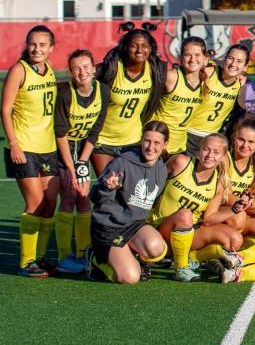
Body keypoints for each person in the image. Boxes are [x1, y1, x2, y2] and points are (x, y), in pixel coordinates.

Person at [2, 25, 60, 277]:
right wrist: (14, 143)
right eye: (33, 44)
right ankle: (26, 262)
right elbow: (5, 110)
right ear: (27, 45)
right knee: (34, 204)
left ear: (51, 48)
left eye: (42, 44)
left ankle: (40, 257)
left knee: (49, 205)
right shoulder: (19, 70)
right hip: (24, 147)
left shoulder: (49, 72)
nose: (37, 49)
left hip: (48, 148)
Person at [147, 133, 241, 282]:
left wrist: (235, 209)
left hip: (187, 234)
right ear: (199, 150)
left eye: (216, 152)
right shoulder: (181, 162)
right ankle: (181, 267)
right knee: (185, 215)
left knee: (234, 239)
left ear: (223, 156)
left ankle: (191, 258)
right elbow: (151, 183)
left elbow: (209, 219)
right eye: (206, 149)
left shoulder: (219, 183)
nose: (210, 155)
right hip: (159, 229)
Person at [86, 121, 169, 284]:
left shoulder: (162, 168)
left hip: (134, 224)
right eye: (147, 141)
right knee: (130, 278)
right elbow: (94, 197)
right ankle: (96, 259)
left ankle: (130, 253)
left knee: (158, 248)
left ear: (165, 144)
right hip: (109, 226)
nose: (150, 147)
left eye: (157, 143)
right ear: (141, 140)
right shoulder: (121, 163)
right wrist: (107, 188)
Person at [53, 50, 111, 273]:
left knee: (84, 197)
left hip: (83, 150)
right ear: (70, 72)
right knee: (69, 195)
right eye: (77, 68)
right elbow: (60, 133)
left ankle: (83, 252)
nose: (82, 72)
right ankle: (63, 256)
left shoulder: (103, 91)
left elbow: (95, 131)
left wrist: (82, 163)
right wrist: (70, 168)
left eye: (86, 66)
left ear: (94, 69)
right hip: (63, 149)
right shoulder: (65, 93)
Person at [93, 22, 167, 174]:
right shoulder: (110, 69)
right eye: (134, 45)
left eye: (144, 45)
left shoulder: (155, 71)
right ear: (125, 48)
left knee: (128, 193)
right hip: (103, 140)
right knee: (106, 190)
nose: (140, 50)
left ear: (151, 48)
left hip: (133, 141)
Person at [151, 37, 211, 155]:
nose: (193, 59)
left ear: (205, 58)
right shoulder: (171, 77)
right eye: (188, 55)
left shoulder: (206, 81)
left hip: (180, 146)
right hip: (157, 144)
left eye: (197, 55)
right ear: (180, 58)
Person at [186, 44, 248, 155]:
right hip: (187, 134)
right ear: (224, 60)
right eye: (230, 58)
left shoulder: (241, 84)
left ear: (245, 67)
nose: (233, 64)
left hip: (211, 139)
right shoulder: (210, 73)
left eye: (239, 61)